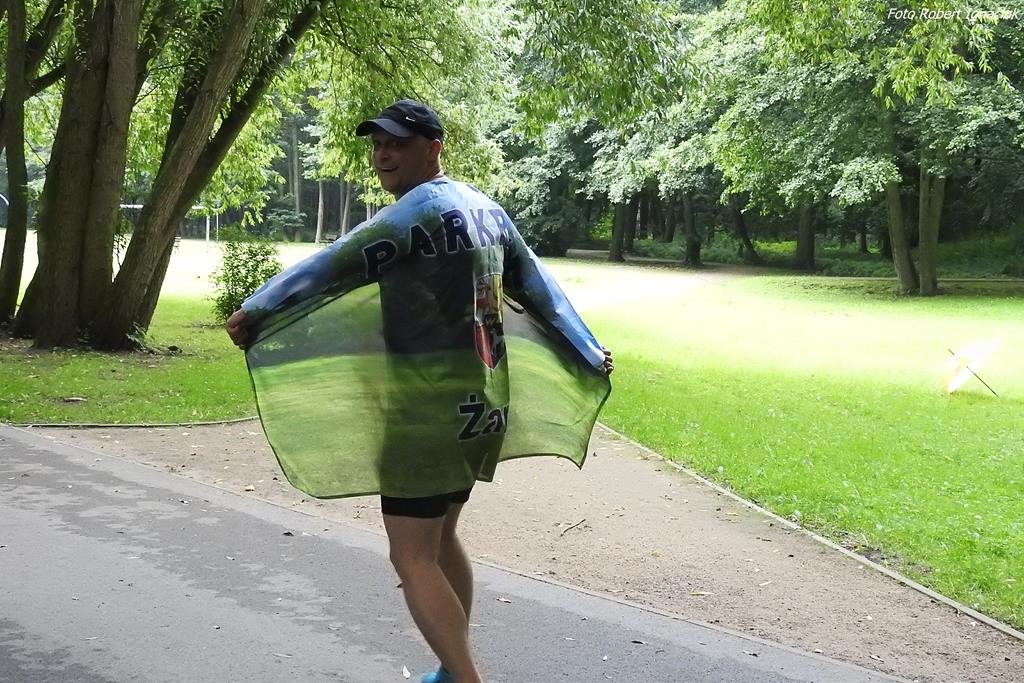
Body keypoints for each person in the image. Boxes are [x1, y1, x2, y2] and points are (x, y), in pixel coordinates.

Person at [226, 99, 613, 683]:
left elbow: (332, 265)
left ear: (434, 148)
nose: (384, 154)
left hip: (424, 412)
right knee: (442, 536)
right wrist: (587, 347)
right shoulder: (485, 209)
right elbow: (538, 286)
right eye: (378, 144)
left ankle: (465, 679)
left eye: (398, 144)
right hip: (482, 407)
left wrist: (256, 310)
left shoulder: (415, 213)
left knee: (410, 554)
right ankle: (450, 669)